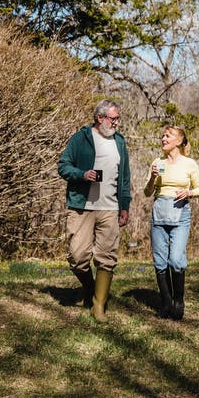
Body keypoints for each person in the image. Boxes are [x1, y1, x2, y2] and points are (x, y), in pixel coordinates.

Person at [58, 100, 131, 322]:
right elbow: (63, 165)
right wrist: (82, 174)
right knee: (77, 257)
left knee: (107, 257)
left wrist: (124, 205)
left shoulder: (119, 142)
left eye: (118, 118)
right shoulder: (81, 139)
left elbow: (124, 178)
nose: (117, 123)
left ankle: (99, 307)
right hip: (82, 206)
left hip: (109, 207)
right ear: (100, 118)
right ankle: (89, 289)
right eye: (113, 119)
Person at [144, 126, 199, 321]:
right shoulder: (157, 162)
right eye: (162, 135)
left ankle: (179, 302)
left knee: (176, 259)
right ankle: (167, 303)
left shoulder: (189, 164)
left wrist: (189, 193)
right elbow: (147, 192)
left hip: (180, 212)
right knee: (160, 262)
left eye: (168, 136)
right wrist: (153, 178)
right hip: (159, 212)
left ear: (178, 141)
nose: (163, 138)